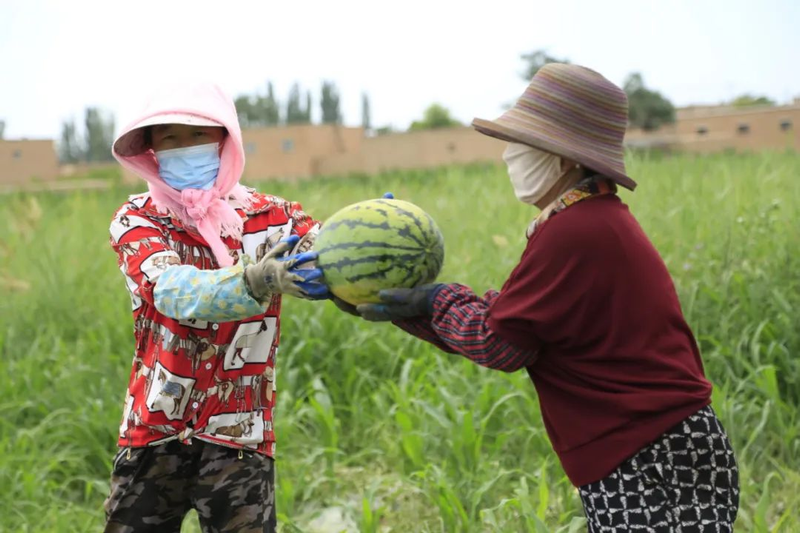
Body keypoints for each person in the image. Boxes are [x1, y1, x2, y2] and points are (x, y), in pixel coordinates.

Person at [343, 64, 740, 531]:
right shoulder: (588, 221)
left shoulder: (576, 231)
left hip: (649, 453)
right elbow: (517, 329)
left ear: (566, 156)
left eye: (525, 142)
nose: (510, 154)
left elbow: (500, 344)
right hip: (660, 445)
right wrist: (407, 307)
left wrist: (433, 300)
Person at [104, 81, 328, 532]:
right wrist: (256, 278)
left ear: (225, 139)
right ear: (149, 148)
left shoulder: (273, 218)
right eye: (170, 138)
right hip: (155, 431)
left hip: (240, 434)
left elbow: (327, 256)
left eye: (198, 135)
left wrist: (369, 244)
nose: (185, 147)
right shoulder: (139, 219)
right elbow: (172, 290)